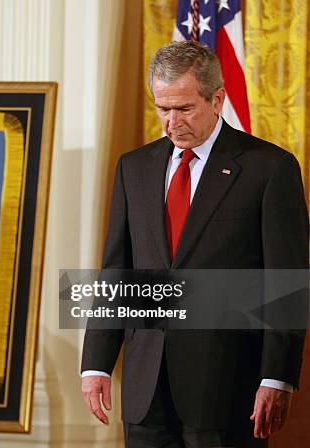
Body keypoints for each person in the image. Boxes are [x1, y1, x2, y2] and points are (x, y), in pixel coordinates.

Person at [80, 40, 308, 448]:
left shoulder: (269, 169)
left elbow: (287, 283)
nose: (171, 122)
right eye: (162, 108)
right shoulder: (134, 168)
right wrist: (95, 364)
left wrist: (277, 376)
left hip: (226, 388)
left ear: (217, 99)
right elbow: (117, 270)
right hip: (146, 388)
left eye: (184, 109)